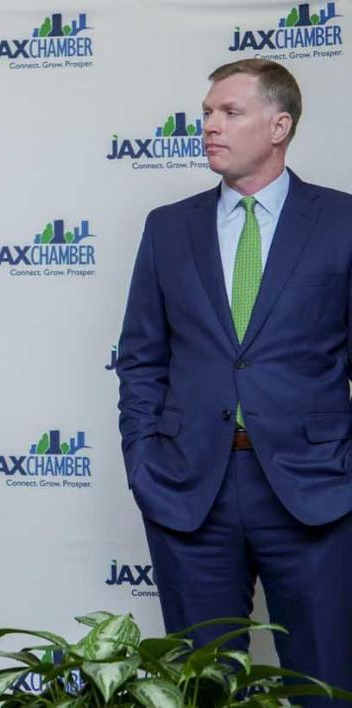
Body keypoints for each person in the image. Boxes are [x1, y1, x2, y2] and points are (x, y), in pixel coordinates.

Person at [116, 59, 352, 700]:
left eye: (230, 112)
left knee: (323, 683)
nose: (210, 126)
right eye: (207, 114)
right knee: (201, 687)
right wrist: (145, 461)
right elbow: (140, 358)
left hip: (315, 491)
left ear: (280, 125)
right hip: (191, 490)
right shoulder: (169, 228)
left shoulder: (341, 221)